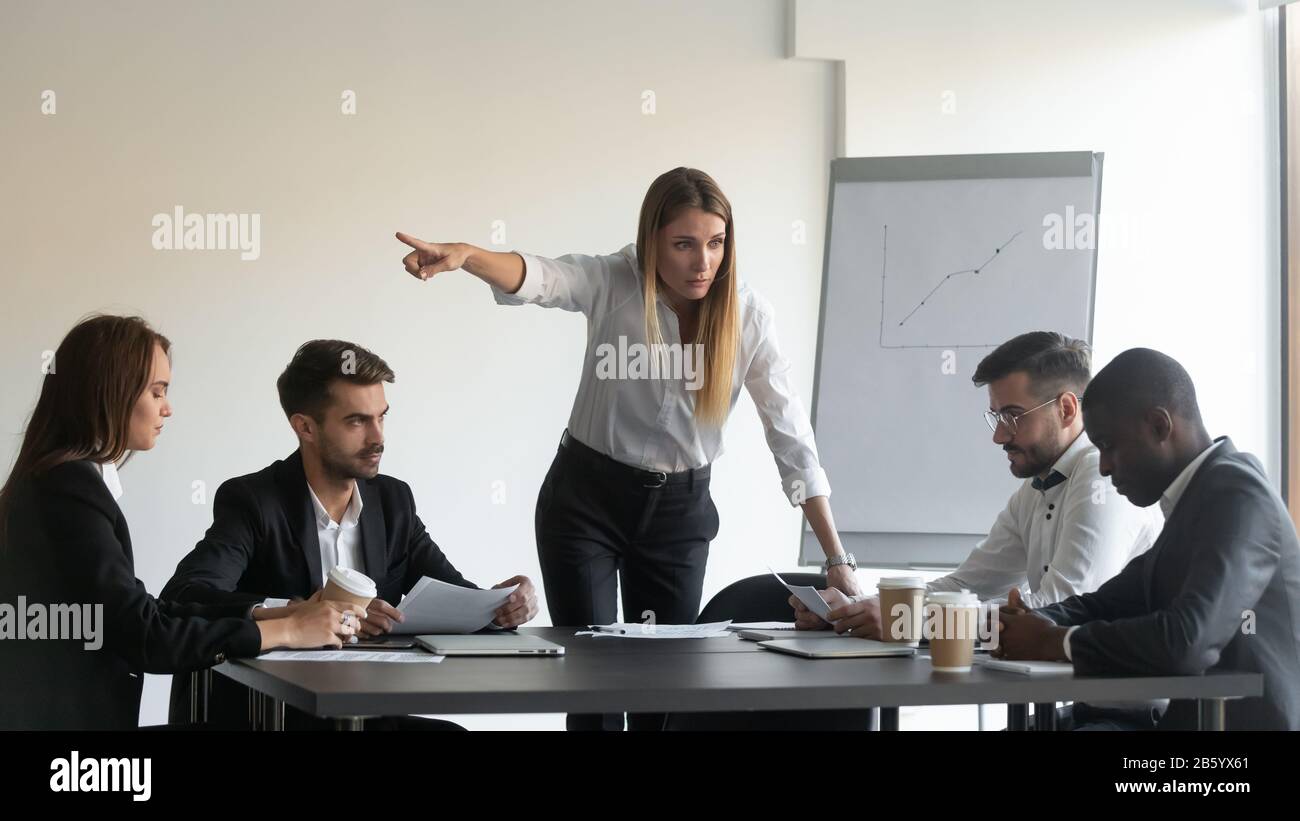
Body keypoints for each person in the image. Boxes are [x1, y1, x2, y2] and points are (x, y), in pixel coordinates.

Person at [395, 167, 859, 730]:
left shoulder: (749, 315)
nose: (703, 262)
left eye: (715, 244)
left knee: (663, 693)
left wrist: (836, 559)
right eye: (684, 244)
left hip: (681, 515)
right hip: (586, 500)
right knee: (594, 687)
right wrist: (468, 255)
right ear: (652, 241)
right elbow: (543, 277)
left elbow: (791, 436)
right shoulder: (614, 281)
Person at [0, 315, 361, 730]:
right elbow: (146, 638)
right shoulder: (68, 490)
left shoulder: (59, 481)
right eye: (157, 391)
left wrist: (271, 616)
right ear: (110, 391)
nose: (167, 408)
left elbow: (144, 613)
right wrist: (287, 632)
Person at [161, 339, 539, 728]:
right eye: (357, 421)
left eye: (382, 416)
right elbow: (186, 596)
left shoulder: (393, 500)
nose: (378, 438)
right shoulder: (254, 501)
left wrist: (502, 607)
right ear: (305, 427)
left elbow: (454, 595)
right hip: (276, 715)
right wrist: (299, 608)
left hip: (367, 712)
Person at [995, 348, 1300, 730]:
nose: (1103, 466)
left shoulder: (1237, 494)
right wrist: (1028, 622)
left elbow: (1186, 642)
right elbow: (1108, 603)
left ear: (1159, 426)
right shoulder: (1195, 500)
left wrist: (1051, 641)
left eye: (1108, 445)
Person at [792, 331, 1162, 638]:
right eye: (996, 417)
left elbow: (1060, 608)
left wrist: (906, 620)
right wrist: (854, 610)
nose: (999, 436)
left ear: (1065, 409)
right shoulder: (1032, 493)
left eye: (1013, 416)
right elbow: (964, 587)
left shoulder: (1102, 475)